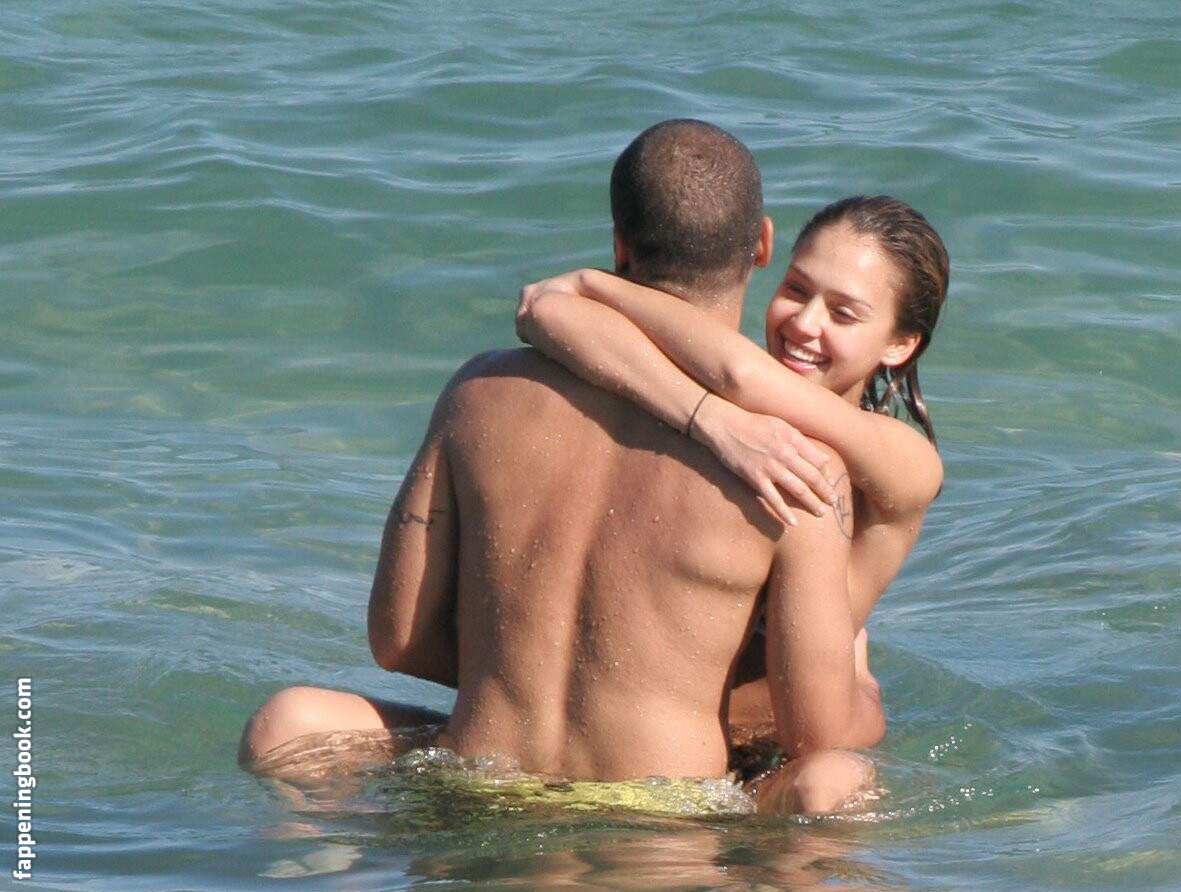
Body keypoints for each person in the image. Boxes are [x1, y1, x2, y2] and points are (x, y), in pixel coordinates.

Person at [238, 119, 883, 815]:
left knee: (290, 720)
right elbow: (815, 732)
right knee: (837, 778)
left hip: (479, 787)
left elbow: (397, 639)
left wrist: (524, 667)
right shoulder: (791, 461)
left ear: (619, 245)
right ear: (762, 245)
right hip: (664, 823)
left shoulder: (479, 393)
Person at [515, 193, 950, 761]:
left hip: (775, 755)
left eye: (843, 314)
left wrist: (596, 285)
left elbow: (740, 374)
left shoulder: (905, 460)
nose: (804, 322)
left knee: (835, 777)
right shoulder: (733, 396)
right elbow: (545, 313)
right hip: (660, 745)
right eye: (796, 289)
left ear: (900, 344)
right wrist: (707, 415)